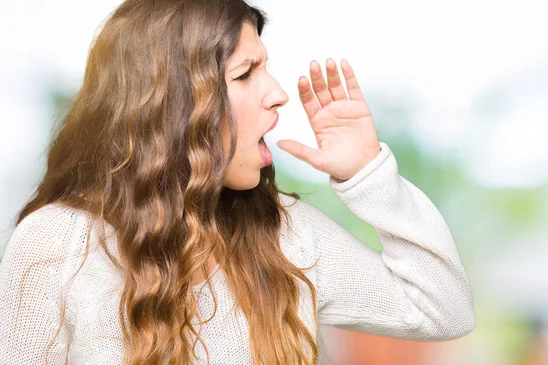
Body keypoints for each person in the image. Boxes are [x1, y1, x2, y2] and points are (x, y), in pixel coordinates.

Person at [0, 0, 476, 364]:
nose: (278, 94)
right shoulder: (57, 244)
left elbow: (443, 307)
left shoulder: (285, 234)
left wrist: (367, 174)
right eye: (246, 74)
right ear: (173, 106)